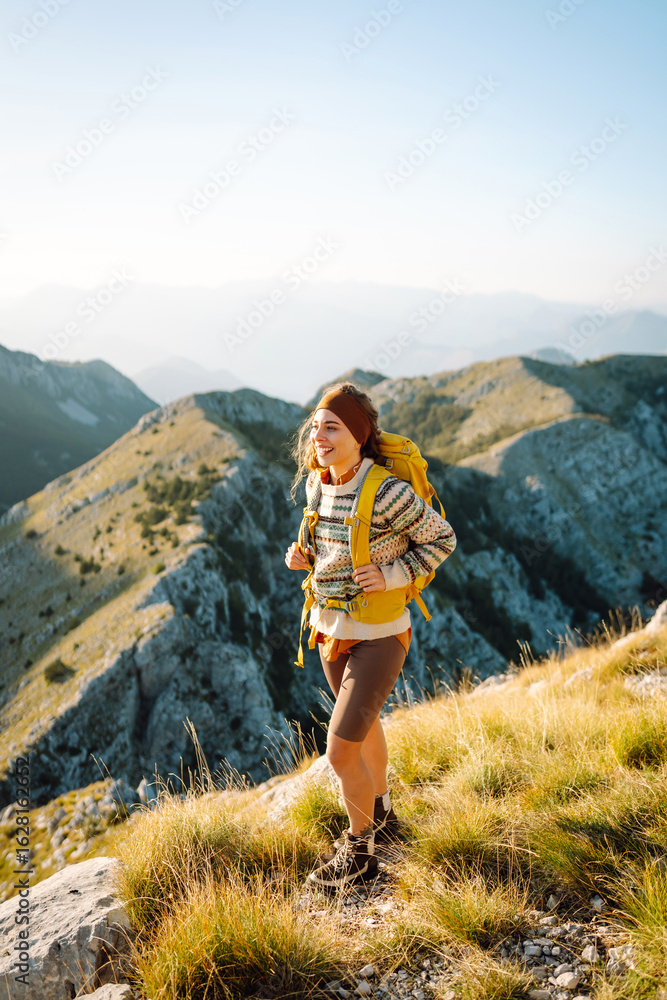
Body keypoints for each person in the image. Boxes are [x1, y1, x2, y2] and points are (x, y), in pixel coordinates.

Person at [285, 381, 457, 891]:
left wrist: (394, 575)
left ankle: (360, 857)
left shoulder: (386, 490)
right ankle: (382, 816)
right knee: (365, 731)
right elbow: (328, 548)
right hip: (331, 630)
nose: (320, 436)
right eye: (316, 427)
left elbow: (442, 539)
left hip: (381, 634)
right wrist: (300, 559)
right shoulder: (320, 484)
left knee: (339, 753)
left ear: (358, 435)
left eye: (332, 427)